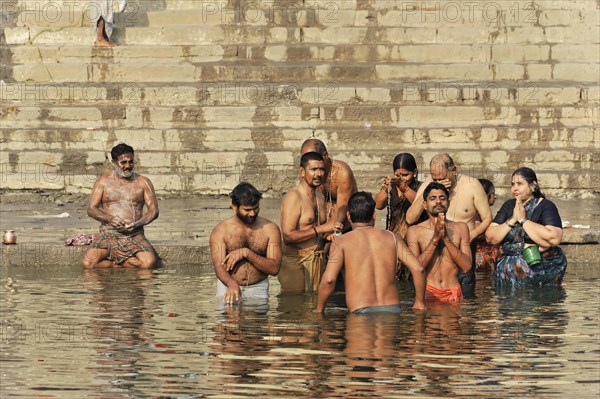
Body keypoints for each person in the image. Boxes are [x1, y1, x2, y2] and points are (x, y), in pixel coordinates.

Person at [316, 192, 426, 313]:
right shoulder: (392, 238)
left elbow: (329, 280)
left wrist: (319, 310)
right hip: (392, 310)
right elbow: (418, 269)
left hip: (360, 311)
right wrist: (419, 303)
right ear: (374, 215)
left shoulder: (341, 242)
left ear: (348, 216)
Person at [406, 153, 491, 297]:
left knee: (467, 301)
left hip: (463, 248)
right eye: (435, 178)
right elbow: (410, 218)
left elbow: (487, 218)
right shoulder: (429, 185)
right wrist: (429, 191)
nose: (439, 182)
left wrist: (470, 236)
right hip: (433, 253)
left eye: (442, 178)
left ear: (453, 170)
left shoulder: (471, 185)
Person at [485, 167, 567, 287]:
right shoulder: (509, 206)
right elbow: (490, 237)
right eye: (512, 184)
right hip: (507, 272)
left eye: (520, 184)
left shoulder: (546, 206)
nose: (514, 188)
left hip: (539, 271)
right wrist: (513, 220)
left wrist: (523, 220)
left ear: (533, 186)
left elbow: (554, 238)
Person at [82, 143, 159, 269]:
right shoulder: (103, 181)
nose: (127, 166)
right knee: (88, 264)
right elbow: (91, 209)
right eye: (123, 162)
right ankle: (116, 265)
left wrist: (137, 224)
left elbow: (154, 211)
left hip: (134, 233)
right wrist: (110, 219)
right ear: (113, 162)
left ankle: (122, 263)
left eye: (131, 162)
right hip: (109, 233)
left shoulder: (143, 182)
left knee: (149, 263)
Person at [279, 152, 344, 293]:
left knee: (313, 307)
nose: (319, 174)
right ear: (302, 172)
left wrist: (328, 236)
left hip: (317, 260)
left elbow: (318, 231)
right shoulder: (293, 197)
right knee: (296, 308)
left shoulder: (320, 196)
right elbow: (288, 237)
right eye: (314, 169)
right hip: (296, 263)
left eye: (321, 169)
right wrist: (321, 229)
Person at [210, 182, 282, 304]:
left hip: (258, 288)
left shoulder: (270, 229)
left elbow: (274, 269)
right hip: (228, 287)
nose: (252, 213)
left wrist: (247, 253)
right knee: (227, 322)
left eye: (256, 208)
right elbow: (218, 267)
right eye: (247, 210)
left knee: (258, 322)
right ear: (234, 207)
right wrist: (231, 284)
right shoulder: (220, 231)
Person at [406, 183, 472, 303]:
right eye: (433, 198)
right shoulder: (414, 231)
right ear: (425, 205)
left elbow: (467, 266)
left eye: (442, 198)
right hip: (427, 292)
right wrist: (435, 239)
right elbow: (415, 268)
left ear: (449, 203)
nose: (438, 202)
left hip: (453, 293)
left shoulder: (461, 228)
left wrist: (446, 238)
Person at [374, 153, 426, 278]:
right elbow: (378, 204)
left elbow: (418, 202)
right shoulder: (392, 187)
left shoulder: (421, 187)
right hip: (395, 238)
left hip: (414, 240)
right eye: (398, 175)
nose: (402, 178)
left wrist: (403, 187)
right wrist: (386, 188)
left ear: (414, 172)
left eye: (405, 175)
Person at [300, 138, 358, 231]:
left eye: (313, 157)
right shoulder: (307, 170)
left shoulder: (342, 172)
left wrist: (333, 228)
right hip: (322, 222)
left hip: (345, 222)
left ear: (325, 156)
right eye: (305, 158)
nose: (308, 162)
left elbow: (342, 207)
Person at [474, 178, 500, 272]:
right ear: (485, 196)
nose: (495, 196)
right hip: (481, 260)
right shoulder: (476, 216)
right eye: (493, 193)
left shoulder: (484, 213)